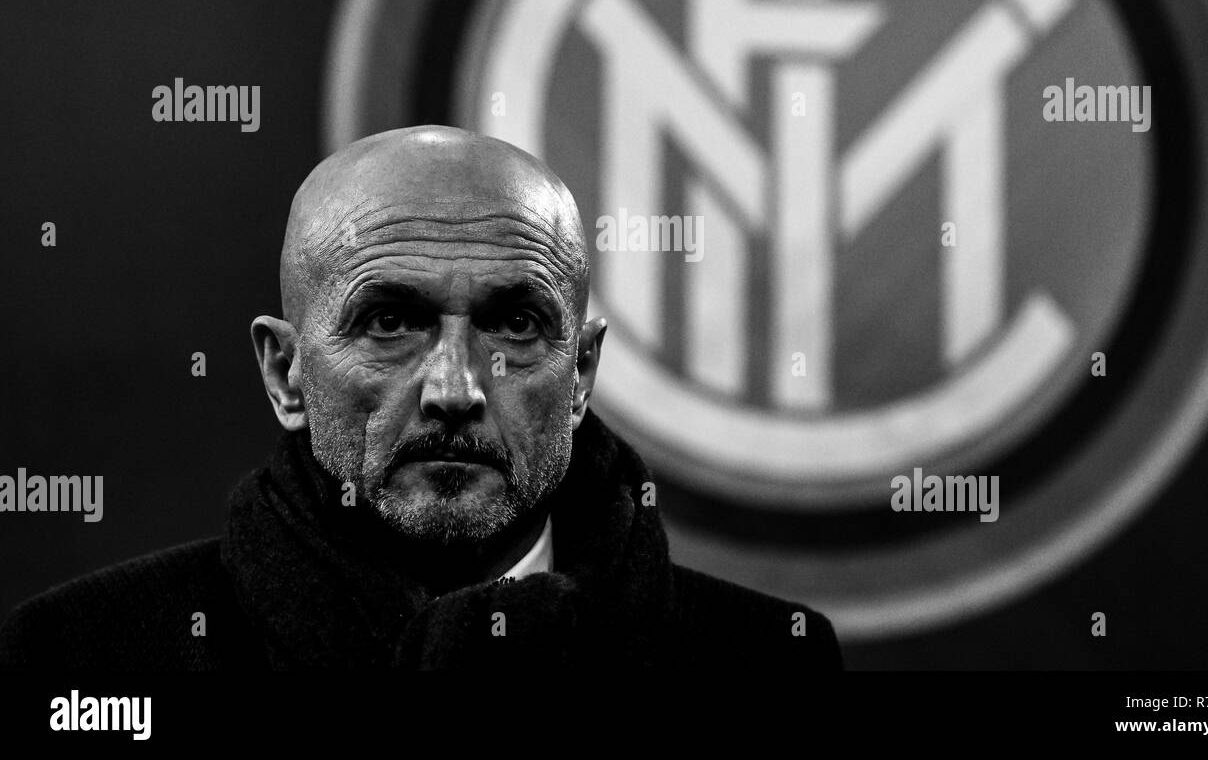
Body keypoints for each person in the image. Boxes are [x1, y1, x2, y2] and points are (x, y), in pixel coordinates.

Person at [0, 125, 841, 669]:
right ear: (284, 372)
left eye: (513, 324)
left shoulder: (769, 661)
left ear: (580, 374)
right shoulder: (78, 659)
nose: (456, 389)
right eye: (391, 321)